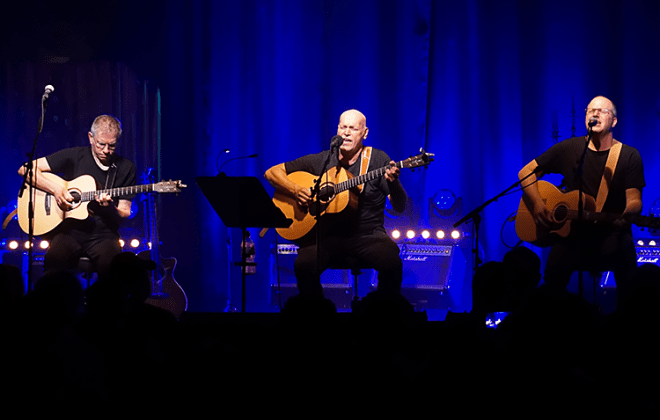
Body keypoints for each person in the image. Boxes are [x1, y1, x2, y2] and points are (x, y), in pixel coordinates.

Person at [264, 109, 407, 297]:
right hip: (326, 237)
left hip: (368, 235)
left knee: (392, 263)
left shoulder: (377, 160)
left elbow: (400, 207)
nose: (346, 133)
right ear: (338, 130)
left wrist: (393, 182)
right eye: (343, 127)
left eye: (353, 129)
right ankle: (319, 315)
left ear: (364, 133)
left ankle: (381, 314)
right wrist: (296, 190)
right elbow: (272, 172)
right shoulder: (322, 160)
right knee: (303, 265)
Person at [518, 95, 645, 301]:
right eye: (590, 110)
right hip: (571, 236)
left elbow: (634, 199)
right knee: (551, 286)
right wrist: (538, 204)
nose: (595, 113)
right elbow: (526, 173)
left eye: (602, 111)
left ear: (614, 121)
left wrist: (629, 213)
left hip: (611, 234)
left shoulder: (629, 155)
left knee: (630, 286)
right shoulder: (569, 148)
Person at [17, 115, 136, 281]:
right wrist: (57, 189)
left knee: (114, 275)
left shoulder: (126, 167)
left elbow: (124, 212)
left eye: (112, 145)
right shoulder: (74, 155)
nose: (106, 150)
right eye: (101, 144)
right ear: (90, 137)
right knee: (52, 266)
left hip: (104, 235)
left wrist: (110, 207)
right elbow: (25, 170)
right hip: (69, 231)